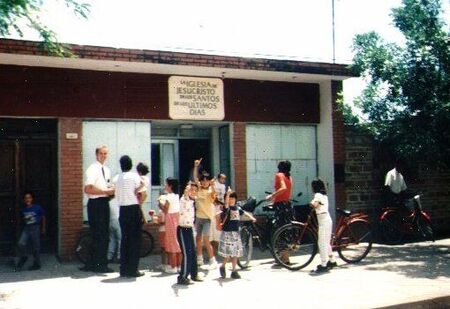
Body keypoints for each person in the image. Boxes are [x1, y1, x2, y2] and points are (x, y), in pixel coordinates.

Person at [82, 145, 115, 273]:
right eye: (101, 153)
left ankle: (93, 263)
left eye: (106, 153)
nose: (104, 156)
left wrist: (110, 191)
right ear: (96, 155)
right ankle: (100, 265)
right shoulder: (92, 169)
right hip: (95, 204)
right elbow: (88, 189)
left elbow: (106, 186)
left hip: (104, 203)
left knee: (103, 234)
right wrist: (106, 192)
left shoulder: (106, 170)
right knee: (99, 235)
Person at [113, 155, 145, 277]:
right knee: (135, 240)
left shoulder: (116, 178)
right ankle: (133, 269)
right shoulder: (134, 176)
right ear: (131, 165)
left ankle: (124, 269)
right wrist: (136, 191)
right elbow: (142, 185)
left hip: (123, 210)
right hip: (133, 208)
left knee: (125, 239)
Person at [218, 187, 256, 279]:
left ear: (236, 199)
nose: (231, 199)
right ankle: (222, 266)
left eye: (233, 198)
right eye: (230, 198)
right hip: (227, 233)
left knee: (235, 253)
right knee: (227, 254)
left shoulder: (237, 208)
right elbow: (226, 203)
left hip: (235, 233)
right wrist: (228, 193)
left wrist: (252, 218)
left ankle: (234, 271)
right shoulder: (227, 208)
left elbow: (245, 213)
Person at [265, 160, 293, 263]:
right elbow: (287, 191)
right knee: (285, 230)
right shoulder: (289, 177)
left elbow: (283, 188)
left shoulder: (279, 175)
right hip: (287, 205)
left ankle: (285, 258)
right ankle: (285, 256)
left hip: (281, 206)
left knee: (280, 230)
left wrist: (272, 196)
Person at [193, 158, 218, 269]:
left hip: (207, 218)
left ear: (209, 181)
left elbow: (213, 195)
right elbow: (195, 178)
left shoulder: (210, 191)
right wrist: (196, 166)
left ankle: (213, 260)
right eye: (202, 180)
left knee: (206, 240)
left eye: (206, 180)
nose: (204, 182)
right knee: (198, 239)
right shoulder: (198, 189)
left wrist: (212, 185)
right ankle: (199, 259)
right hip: (198, 218)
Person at [176, 182, 203, 285]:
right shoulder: (183, 200)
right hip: (183, 229)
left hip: (190, 229)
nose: (193, 192)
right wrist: (186, 192)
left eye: (195, 190)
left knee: (193, 253)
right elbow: (185, 199)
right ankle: (182, 277)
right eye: (191, 190)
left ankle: (194, 274)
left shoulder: (193, 201)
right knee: (187, 253)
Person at [310, 178, 337, 273]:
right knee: (326, 242)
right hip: (327, 219)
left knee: (322, 243)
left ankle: (323, 264)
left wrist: (311, 204)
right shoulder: (324, 195)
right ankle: (332, 260)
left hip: (323, 221)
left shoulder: (317, 195)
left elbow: (315, 204)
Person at [14, 191, 46, 271]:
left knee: (36, 247)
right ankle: (24, 256)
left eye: (29, 198)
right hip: (27, 228)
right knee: (21, 243)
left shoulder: (37, 207)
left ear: (32, 199)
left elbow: (43, 217)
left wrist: (43, 228)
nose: (27, 199)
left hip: (35, 227)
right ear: (24, 200)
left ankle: (37, 264)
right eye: (26, 198)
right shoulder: (23, 209)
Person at [158, 177, 182, 273]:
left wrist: (159, 202)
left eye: (166, 184)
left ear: (170, 186)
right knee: (178, 242)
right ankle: (179, 266)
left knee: (172, 243)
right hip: (177, 218)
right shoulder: (177, 196)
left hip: (170, 219)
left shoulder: (168, 196)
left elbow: (165, 210)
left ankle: (173, 266)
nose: (165, 186)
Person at [210, 173, 227, 252]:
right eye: (222, 178)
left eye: (224, 179)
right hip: (213, 206)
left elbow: (223, 197)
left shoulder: (223, 186)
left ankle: (219, 247)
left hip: (220, 207)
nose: (223, 180)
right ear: (218, 178)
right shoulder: (214, 185)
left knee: (218, 226)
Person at [107, 199, 121, 263]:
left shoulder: (108, 202)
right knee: (120, 240)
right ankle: (119, 257)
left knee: (112, 240)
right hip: (117, 221)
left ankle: (109, 257)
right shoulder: (119, 201)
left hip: (110, 222)